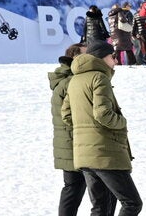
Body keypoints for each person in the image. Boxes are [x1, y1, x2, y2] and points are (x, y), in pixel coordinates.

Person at [62, 40, 142, 216]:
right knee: (132, 203)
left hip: (84, 155)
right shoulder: (99, 77)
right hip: (105, 153)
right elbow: (103, 114)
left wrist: (85, 132)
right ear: (101, 57)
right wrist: (122, 122)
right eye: (112, 57)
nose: (115, 61)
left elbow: (66, 115)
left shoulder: (75, 80)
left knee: (101, 207)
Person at [50, 43, 90, 216]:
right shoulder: (70, 82)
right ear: (75, 58)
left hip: (69, 142)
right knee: (74, 188)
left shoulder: (66, 80)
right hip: (73, 142)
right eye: (86, 55)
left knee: (73, 188)